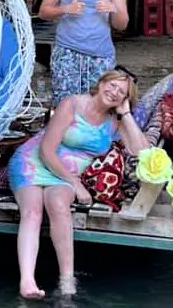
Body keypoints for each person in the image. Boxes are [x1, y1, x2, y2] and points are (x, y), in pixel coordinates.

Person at [8, 69, 149, 299]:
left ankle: (67, 280)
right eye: (111, 85)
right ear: (101, 82)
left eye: (121, 92)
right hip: (34, 163)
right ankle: (27, 281)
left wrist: (126, 114)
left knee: (58, 205)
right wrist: (76, 182)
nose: (113, 93)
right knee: (32, 211)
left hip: (66, 176)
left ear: (124, 99)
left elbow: (142, 152)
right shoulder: (72, 104)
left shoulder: (115, 120)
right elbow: (46, 150)